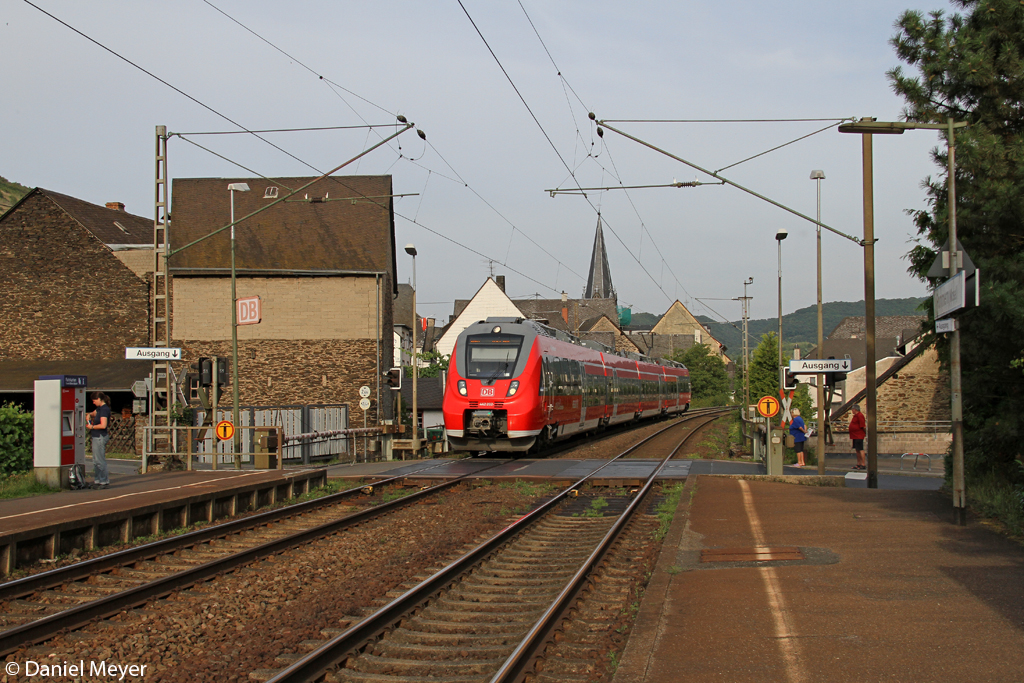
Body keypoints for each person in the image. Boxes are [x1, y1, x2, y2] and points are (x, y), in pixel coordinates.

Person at [86, 391, 112, 488]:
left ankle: (104, 481)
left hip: (100, 436)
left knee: (100, 460)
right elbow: (94, 413)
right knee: (96, 460)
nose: (93, 403)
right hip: (96, 436)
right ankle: (98, 480)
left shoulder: (104, 410)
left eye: (94, 401)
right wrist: (89, 415)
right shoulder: (100, 409)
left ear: (99, 399)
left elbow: (103, 425)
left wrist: (92, 427)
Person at [849, 403, 867, 470]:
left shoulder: (860, 415)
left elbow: (863, 426)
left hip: (859, 435)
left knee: (860, 449)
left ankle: (863, 464)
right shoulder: (855, 416)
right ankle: (858, 464)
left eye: (852, 410)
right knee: (857, 449)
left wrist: (865, 433)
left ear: (855, 409)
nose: (852, 411)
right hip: (854, 436)